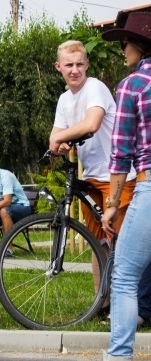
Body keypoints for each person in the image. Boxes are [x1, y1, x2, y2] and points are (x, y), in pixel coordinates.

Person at [79, 11, 151, 361]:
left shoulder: (133, 85)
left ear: (139, 45)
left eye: (125, 42)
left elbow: (120, 155)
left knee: (123, 275)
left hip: (149, 185)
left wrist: (112, 204)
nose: (122, 49)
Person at [48, 39, 136, 317]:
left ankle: (131, 307)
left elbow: (92, 123)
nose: (74, 70)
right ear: (58, 67)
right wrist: (59, 143)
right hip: (91, 178)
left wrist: (60, 138)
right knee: (98, 244)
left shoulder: (95, 87)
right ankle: (103, 304)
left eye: (79, 64)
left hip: (118, 175)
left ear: (86, 65)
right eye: (68, 65)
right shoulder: (64, 100)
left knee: (120, 242)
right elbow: (56, 136)